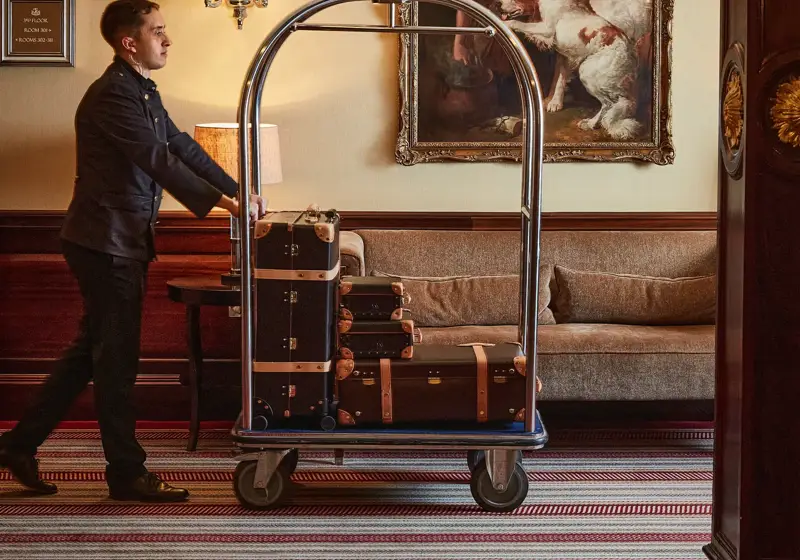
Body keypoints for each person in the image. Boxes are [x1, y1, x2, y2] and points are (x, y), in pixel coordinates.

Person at [0, 0, 267, 502]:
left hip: (119, 241)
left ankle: (17, 445)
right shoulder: (111, 96)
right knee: (117, 360)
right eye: (159, 31)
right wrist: (229, 205)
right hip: (105, 244)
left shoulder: (141, 90)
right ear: (130, 41)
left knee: (90, 355)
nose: (167, 40)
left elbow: (181, 145)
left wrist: (242, 186)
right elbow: (156, 159)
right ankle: (126, 473)